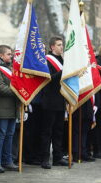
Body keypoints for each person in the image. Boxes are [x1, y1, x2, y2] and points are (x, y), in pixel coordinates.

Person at [40, 36, 68, 169]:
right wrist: (64, 72)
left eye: (62, 45)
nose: (61, 47)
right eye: (58, 45)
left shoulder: (63, 60)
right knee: (47, 131)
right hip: (49, 100)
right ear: (52, 47)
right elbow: (48, 79)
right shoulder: (47, 60)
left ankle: (58, 157)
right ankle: (45, 158)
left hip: (61, 100)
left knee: (59, 131)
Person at [0, 45, 19, 173]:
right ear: (1, 55)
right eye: (8, 54)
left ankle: (7, 161)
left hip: (12, 108)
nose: (11, 56)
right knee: (0, 135)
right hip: (1, 108)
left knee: (10, 135)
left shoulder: (11, 68)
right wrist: (17, 92)